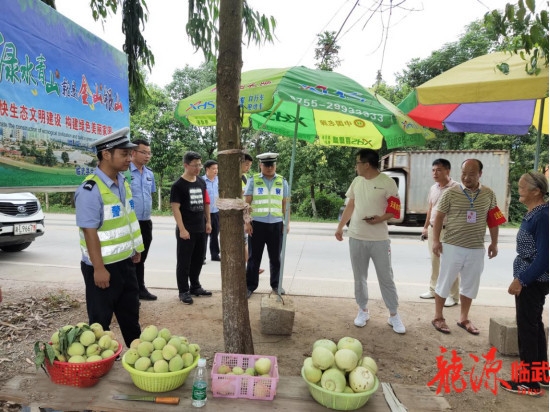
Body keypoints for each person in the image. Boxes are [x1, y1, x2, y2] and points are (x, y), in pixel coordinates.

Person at [74, 127, 144, 347]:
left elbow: (126, 219)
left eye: (130, 154)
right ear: (106, 154)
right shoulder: (90, 190)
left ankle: (137, 356)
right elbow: (90, 231)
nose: (129, 159)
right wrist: (98, 268)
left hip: (125, 263)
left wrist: (135, 248)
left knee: (130, 315)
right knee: (100, 322)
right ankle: (98, 363)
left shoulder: (123, 182)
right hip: (103, 268)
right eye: (124, 154)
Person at [431, 159, 506, 335]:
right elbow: (439, 217)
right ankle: (438, 317)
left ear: (480, 174)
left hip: (476, 248)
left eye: (471, 174)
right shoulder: (450, 193)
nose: (466, 177)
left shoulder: (488, 194)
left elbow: (493, 220)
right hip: (451, 246)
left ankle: (464, 318)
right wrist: (436, 240)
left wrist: (494, 243)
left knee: (470, 285)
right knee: (444, 282)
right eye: (463, 173)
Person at [335, 148, 406, 334]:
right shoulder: (357, 182)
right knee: (359, 277)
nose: (355, 167)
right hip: (356, 236)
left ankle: (393, 315)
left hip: (379, 239)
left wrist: (380, 218)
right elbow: (350, 205)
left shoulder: (387, 182)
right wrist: (340, 227)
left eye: (357, 163)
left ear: (366, 164)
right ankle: (363, 310)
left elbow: (395, 211)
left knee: (386, 277)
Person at [500, 172, 549, 396]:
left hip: (533, 279)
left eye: (521, 187)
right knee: (533, 326)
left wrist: (522, 280)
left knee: (528, 330)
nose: (518, 189)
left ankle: (529, 383)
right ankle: (541, 374)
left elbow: (544, 258)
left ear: (536, 191)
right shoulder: (536, 213)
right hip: (531, 277)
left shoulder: (543, 216)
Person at [170, 151, 212, 305]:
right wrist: (182, 229)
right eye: (195, 165)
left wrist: (208, 222)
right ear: (186, 165)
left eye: (200, 164)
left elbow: (206, 203)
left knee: (198, 259)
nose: (198, 168)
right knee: (184, 261)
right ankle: (183, 291)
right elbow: (175, 208)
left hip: (200, 227)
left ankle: (195, 286)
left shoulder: (201, 182)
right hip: (186, 229)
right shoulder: (178, 185)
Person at [244, 152, 289, 298]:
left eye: (272, 165)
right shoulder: (254, 180)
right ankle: (250, 286)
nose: (269, 168)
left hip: (276, 225)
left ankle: (276, 285)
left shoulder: (282, 181)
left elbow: (285, 204)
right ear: (260, 165)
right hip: (257, 224)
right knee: (253, 257)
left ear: (275, 165)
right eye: (266, 165)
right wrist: (247, 222)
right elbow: (247, 202)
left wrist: (286, 223)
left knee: (276, 257)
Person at [420, 159, 460, 307]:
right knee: (434, 261)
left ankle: (453, 295)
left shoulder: (456, 188)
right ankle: (433, 290)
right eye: (433, 170)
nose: (435, 173)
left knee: (450, 264)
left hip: (448, 230)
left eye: (439, 170)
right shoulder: (433, 188)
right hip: (432, 229)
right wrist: (425, 227)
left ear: (447, 171)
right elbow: (430, 209)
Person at [129, 139, 157, 301]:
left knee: (142, 257)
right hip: (130, 222)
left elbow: (149, 195)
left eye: (149, 153)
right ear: (133, 152)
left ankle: (140, 288)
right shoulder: (125, 173)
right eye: (144, 152)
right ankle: (131, 291)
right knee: (130, 258)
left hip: (146, 222)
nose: (147, 156)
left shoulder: (149, 174)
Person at [241, 153, 264, 274]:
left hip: (244, 212)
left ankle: (250, 266)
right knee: (243, 240)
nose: (248, 167)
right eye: (246, 164)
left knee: (244, 240)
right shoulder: (232, 177)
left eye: (249, 165)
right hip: (235, 213)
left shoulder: (245, 177)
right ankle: (250, 266)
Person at [202, 160, 220, 263]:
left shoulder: (219, 180)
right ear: (207, 169)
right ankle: (202, 256)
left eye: (217, 168)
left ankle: (215, 254)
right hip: (205, 213)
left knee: (215, 234)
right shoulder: (202, 181)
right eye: (213, 168)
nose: (216, 171)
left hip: (216, 211)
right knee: (204, 235)